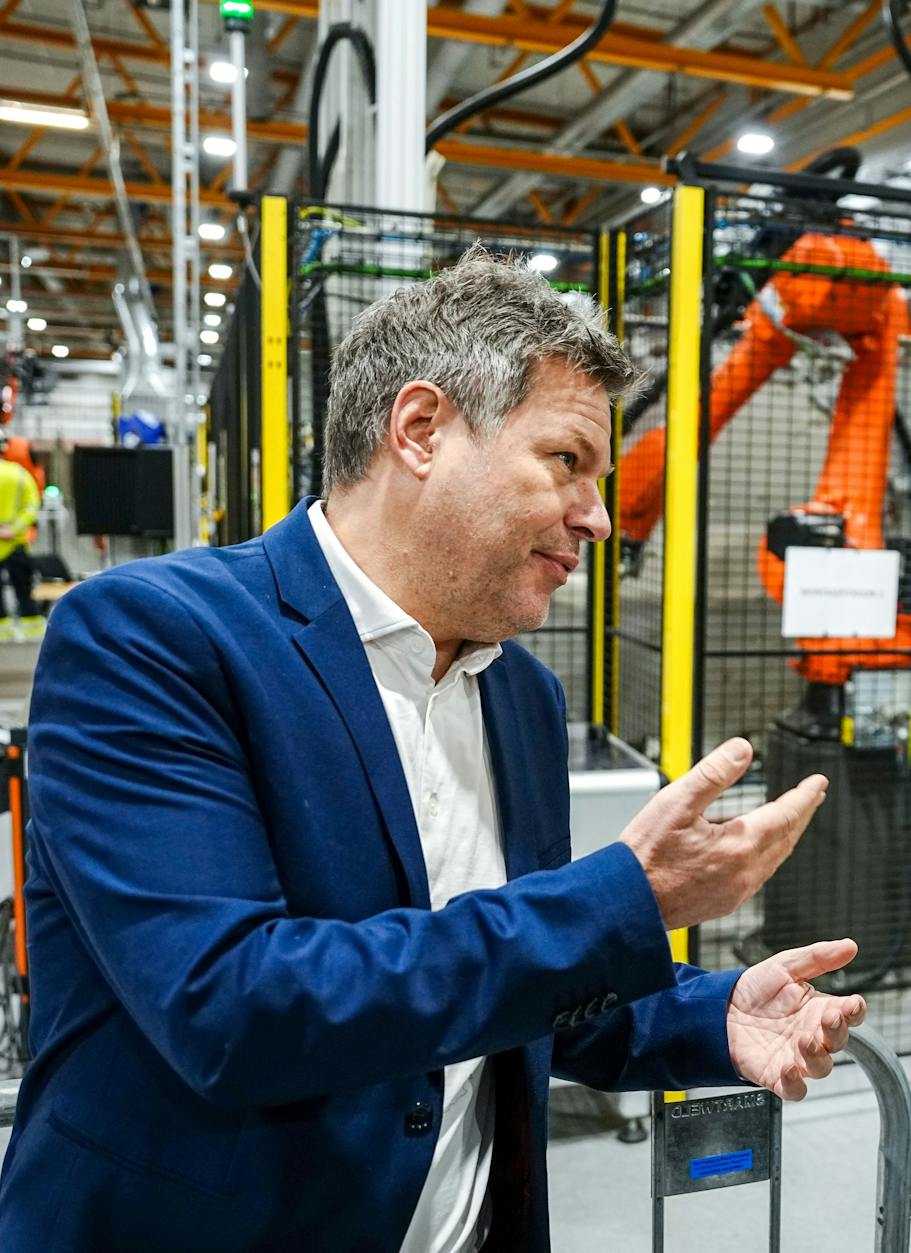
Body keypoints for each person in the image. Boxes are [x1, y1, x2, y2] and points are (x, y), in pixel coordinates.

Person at [0, 253, 866, 1251]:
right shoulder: (154, 639)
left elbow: (522, 990)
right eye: (567, 461)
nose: (596, 512)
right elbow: (232, 1006)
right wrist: (628, 894)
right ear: (420, 430)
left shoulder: (521, 699)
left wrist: (709, 1014)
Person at [0, 449, 41, 638]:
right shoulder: (18, 473)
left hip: (12, 543)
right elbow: (32, 505)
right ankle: (32, 627)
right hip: (15, 543)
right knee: (24, 588)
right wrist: (14, 529)